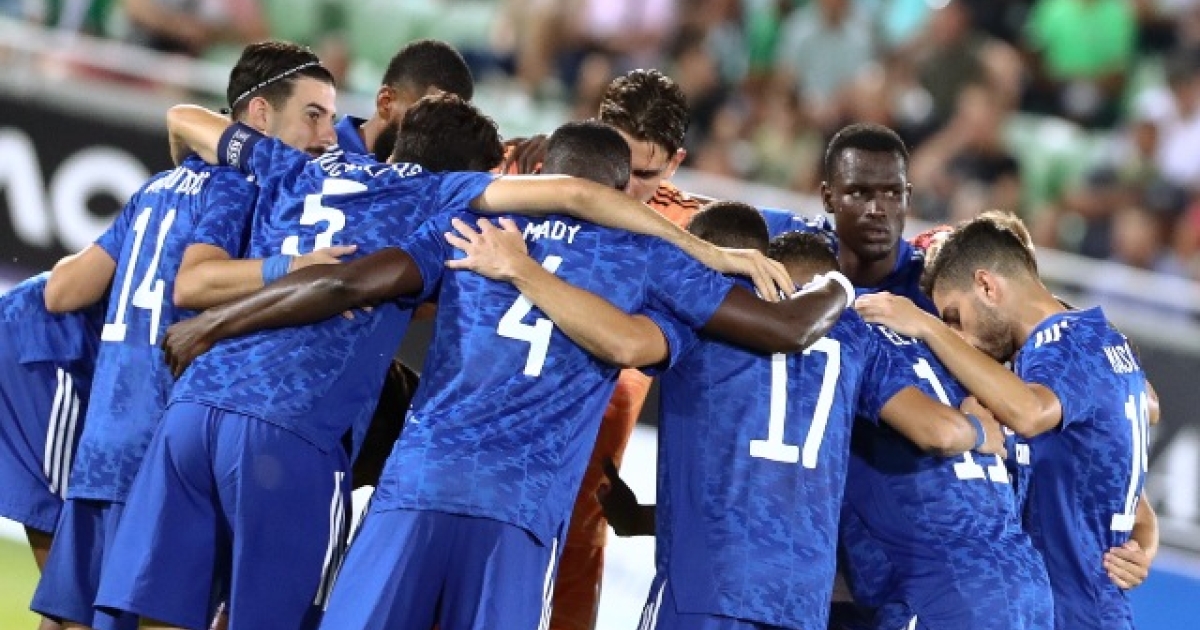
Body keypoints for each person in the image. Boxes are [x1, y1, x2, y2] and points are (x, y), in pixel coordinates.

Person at [157, 119, 853, 630]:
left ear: (539, 171)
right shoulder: (652, 261)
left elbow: (345, 284)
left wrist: (214, 323)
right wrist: (841, 283)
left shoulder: (465, 228)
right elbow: (786, 330)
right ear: (623, 193)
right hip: (516, 517)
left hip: (415, 491)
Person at [450, 199, 1008, 630]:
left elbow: (622, 342)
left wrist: (522, 270)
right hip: (801, 601)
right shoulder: (856, 339)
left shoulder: (701, 316)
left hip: (705, 585)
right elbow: (937, 430)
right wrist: (981, 428)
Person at [90, 94, 501, 630]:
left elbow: (184, 116)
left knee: (161, 610)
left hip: (194, 410)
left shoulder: (296, 166)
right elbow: (341, 284)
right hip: (289, 432)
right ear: (471, 177)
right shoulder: (438, 205)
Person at [28, 44, 339, 630]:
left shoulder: (159, 187)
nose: (327, 136)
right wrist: (295, 268)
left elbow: (63, 292)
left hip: (103, 441)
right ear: (259, 116)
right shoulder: (243, 190)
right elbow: (198, 284)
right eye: (313, 115)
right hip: (165, 453)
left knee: (68, 619)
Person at [855, 216, 1153, 630]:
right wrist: (1142, 548)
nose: (959, 336)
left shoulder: (1068, 342)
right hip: (1060, 610)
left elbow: (1028, 413)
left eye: (955, 317)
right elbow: (1136, 501)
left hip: (1078, 614)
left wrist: (928, 327)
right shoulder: (1084, 348)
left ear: (987, 286)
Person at [0, 274, 102, 630]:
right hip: (45, 352)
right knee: (75, 590)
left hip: (44, 345)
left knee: (67, 593)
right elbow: (60, 291)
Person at [335, 39, 475, 162]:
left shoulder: (430, 175)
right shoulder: (324, 153)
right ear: (386, 102)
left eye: (444, 130)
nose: (432, 141)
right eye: (424, 122)